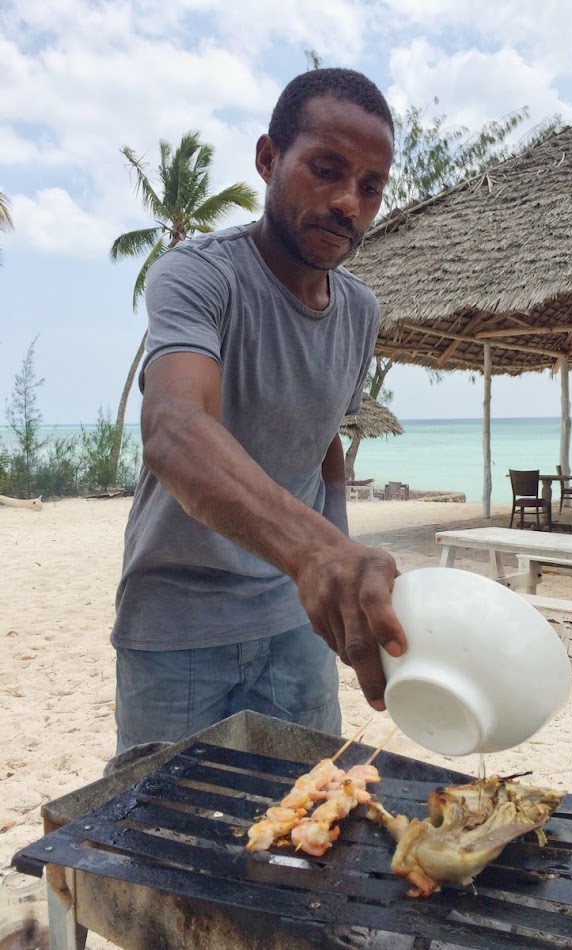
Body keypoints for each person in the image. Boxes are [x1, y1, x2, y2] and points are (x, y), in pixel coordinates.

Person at [109, 68, 406, 760]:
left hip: (296, 626)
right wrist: (319, 553)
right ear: (269, 158)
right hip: (177, 624)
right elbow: (175, 429)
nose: (348, 204)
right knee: (163, 845)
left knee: (308, 828)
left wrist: (334, 537)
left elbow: (325, 435)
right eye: (326, 170)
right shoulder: (199, 275)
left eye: (370, 186)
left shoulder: (359, 311)